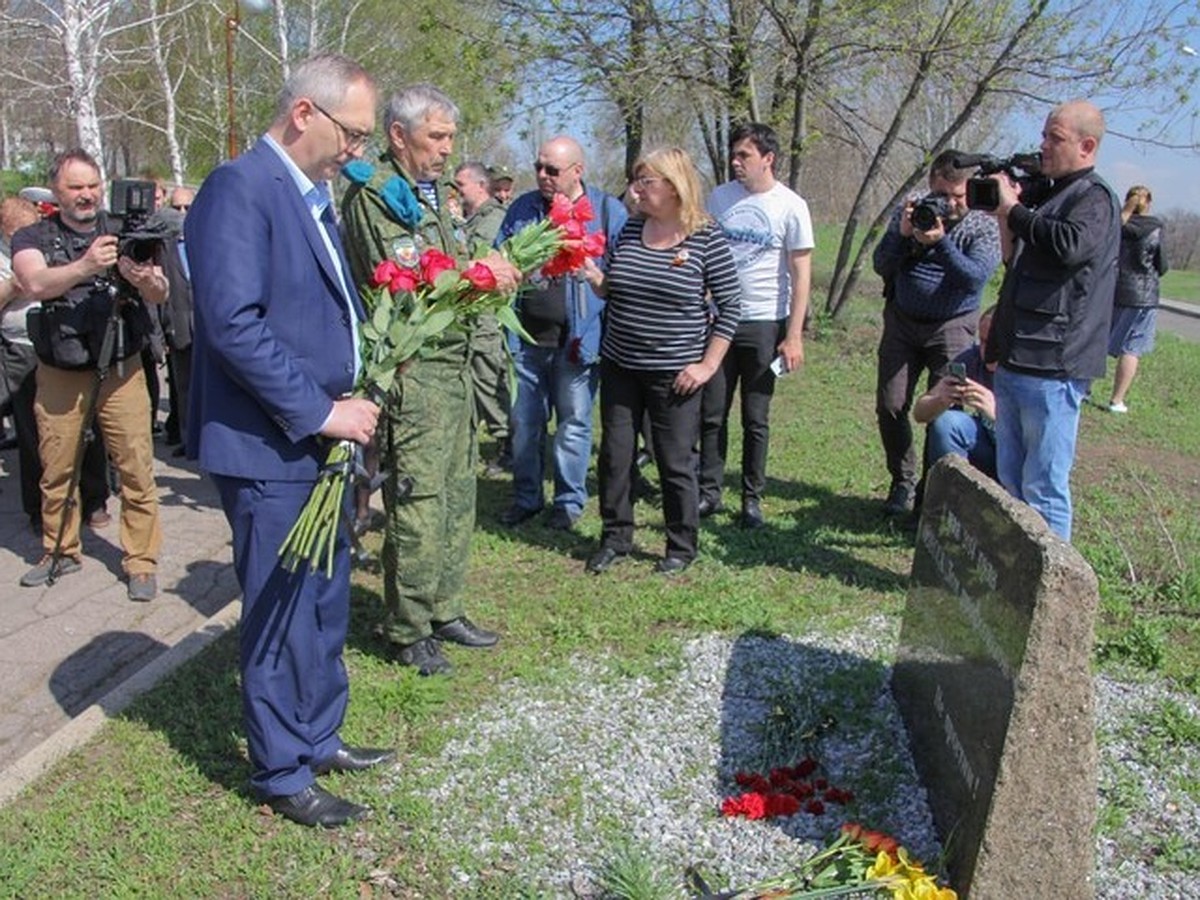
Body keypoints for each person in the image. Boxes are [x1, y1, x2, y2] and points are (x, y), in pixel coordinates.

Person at [186, 54, 393, 828]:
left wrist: (354, 382)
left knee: (324, 596)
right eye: (353, 134)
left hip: (321, 439)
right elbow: (233, 325)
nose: (358, 152)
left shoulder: (313, 196)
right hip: (269, 445)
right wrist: (320, 411)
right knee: (279, 607)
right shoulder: (239, 188)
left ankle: (319, 733)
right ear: (305, 112)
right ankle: (280, 769)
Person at [341, 83, 519, 677]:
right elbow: (408, 285)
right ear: (399, 134)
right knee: (418, 501)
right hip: (415, 372)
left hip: (456, 368)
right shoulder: (376, 198)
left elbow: (451, 269)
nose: (446, 149)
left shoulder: (435, 194)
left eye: (449, 138)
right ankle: (408, 626)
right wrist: (481, 275)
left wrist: (488, 273)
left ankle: (444, 607)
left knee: (456, 494)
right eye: (435, 136)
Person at [11, 149, 166, 599]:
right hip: (62, 369)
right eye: (75, 187)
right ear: (55, 191)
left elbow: (161, 290)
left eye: (93, 185)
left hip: (122, 366)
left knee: (136, 466)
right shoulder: (31, 235)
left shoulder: (128, 231)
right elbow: (34, 284)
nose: (86, 195)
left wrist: (141, 278)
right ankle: (60, 550)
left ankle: (141, 561)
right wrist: (85, 266)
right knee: (57, 466)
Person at [582, 146, 741, 576]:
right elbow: (614, 287)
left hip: (675, 374)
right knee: (615, 457)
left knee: (674, 461)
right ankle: (615, 536)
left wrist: (707, 366)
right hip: (620, 364)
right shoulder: (632, 230)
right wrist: (593, 275)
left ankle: (680, 545)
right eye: (636, 180)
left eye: (645, 181)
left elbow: (730, 308)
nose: (636, 190)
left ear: (673, 187)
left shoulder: (706, 238)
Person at [984, 99, 1120, 541]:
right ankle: (1013, 579)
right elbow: (1015, 260)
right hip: (1016, 357)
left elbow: (1069, 246)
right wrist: (1009, 212)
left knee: (1043, 487)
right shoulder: (1050, 194)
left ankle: (1049, 592)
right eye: (1043, 135)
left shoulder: (1093, 198)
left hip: (1054, 365)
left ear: (1087, 145)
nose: (1043, 145)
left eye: (1054, 138)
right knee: (1012, 483)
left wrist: (1014, 210)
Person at [495, 136, 627, 531]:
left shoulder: (606, 210)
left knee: (574, 423)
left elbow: (622, 271)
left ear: (577, 171)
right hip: (527, 341)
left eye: (552, 170)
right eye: (538, 167)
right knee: (524, 424)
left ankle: (568, 503)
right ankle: (527, 498)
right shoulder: (522, 208)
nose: (542, 176)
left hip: (577, 341)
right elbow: (499, 255)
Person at [871, 150, 1001, 516]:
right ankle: (902, 481)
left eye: (958, 196)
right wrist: (903, 234)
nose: (951, 204)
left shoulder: (982, 222)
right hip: (902, 320)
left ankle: (932, 492)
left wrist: (940, 243)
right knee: (891, 404)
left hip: (953, 323)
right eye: (943, 195)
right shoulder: (912, 210)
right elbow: (881, 264)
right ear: (932, 185)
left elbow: (975, 277)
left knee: (945, 409)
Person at [698, 122, 814, 528]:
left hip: (765, 322)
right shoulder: (719, 198)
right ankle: (708, 492)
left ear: (768, 159)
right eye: (734, 155)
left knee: (755, 416)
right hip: (719, 321)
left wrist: (794, 335)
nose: (736, 162)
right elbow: (703, 254)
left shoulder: (791, 205)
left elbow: (801, 274)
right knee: (712, 412)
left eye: (744, 155)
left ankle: (751, 498)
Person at [454, 161, 512, 475]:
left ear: (480, 185)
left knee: (490, 381)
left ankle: (509, 444)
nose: (457, 191)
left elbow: (489, 259)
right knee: (475, 383)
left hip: (485, 317)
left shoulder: (495, 219)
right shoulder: (467, 219)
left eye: (461, 185)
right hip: (467, 314)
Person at [913, 306, 998, 479]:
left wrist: (995, 413)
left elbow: (1038, 447)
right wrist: (941, 400)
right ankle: (948, 498)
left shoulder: (1028, 376)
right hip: (987, 450)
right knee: (947, 423)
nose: (985, 351)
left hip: (1018, 463)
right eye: (982, 341)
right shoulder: (971, 360)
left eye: (994, 343)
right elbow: (919, 414)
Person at [1107, 185, 1168, 413]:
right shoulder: (1156, 228)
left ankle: (1084, 388)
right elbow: (1161, 264)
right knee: (1132, 348)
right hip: (1144, 296)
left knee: (1100, 340)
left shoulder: (1118, 226)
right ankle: (1116, 400)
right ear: (1148, 202)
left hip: (1114, 290)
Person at [157, 186, 195, 454]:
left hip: (208, 328)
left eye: (188, 208)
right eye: (177, 207)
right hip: (178, 326)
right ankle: (188, 439)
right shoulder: (162, 247)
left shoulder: (208, 240)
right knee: (183, 388)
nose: (182, 213)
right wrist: (161, 333)